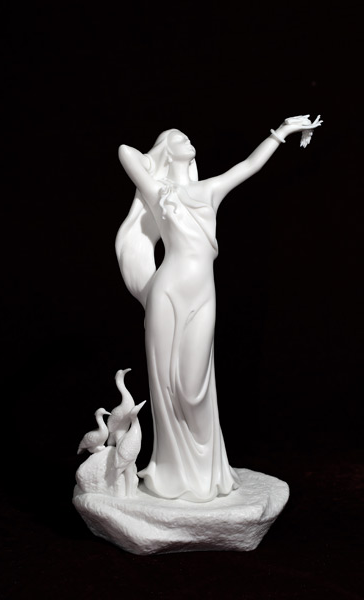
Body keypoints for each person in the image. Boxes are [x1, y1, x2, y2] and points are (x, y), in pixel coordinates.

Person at [116, 116, 322, 502]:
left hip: (202, 295)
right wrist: (156, 163)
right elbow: (125, 153)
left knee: (192, 388)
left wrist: (283, 130)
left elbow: (249, 165)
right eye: (178, 138)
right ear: (166, 151)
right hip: (166, 293)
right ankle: (172, 474)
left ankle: (205, 473)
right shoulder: (157, 190)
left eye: (186, 135)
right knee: (166, 387)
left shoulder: (210, 189)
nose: (187, 139)